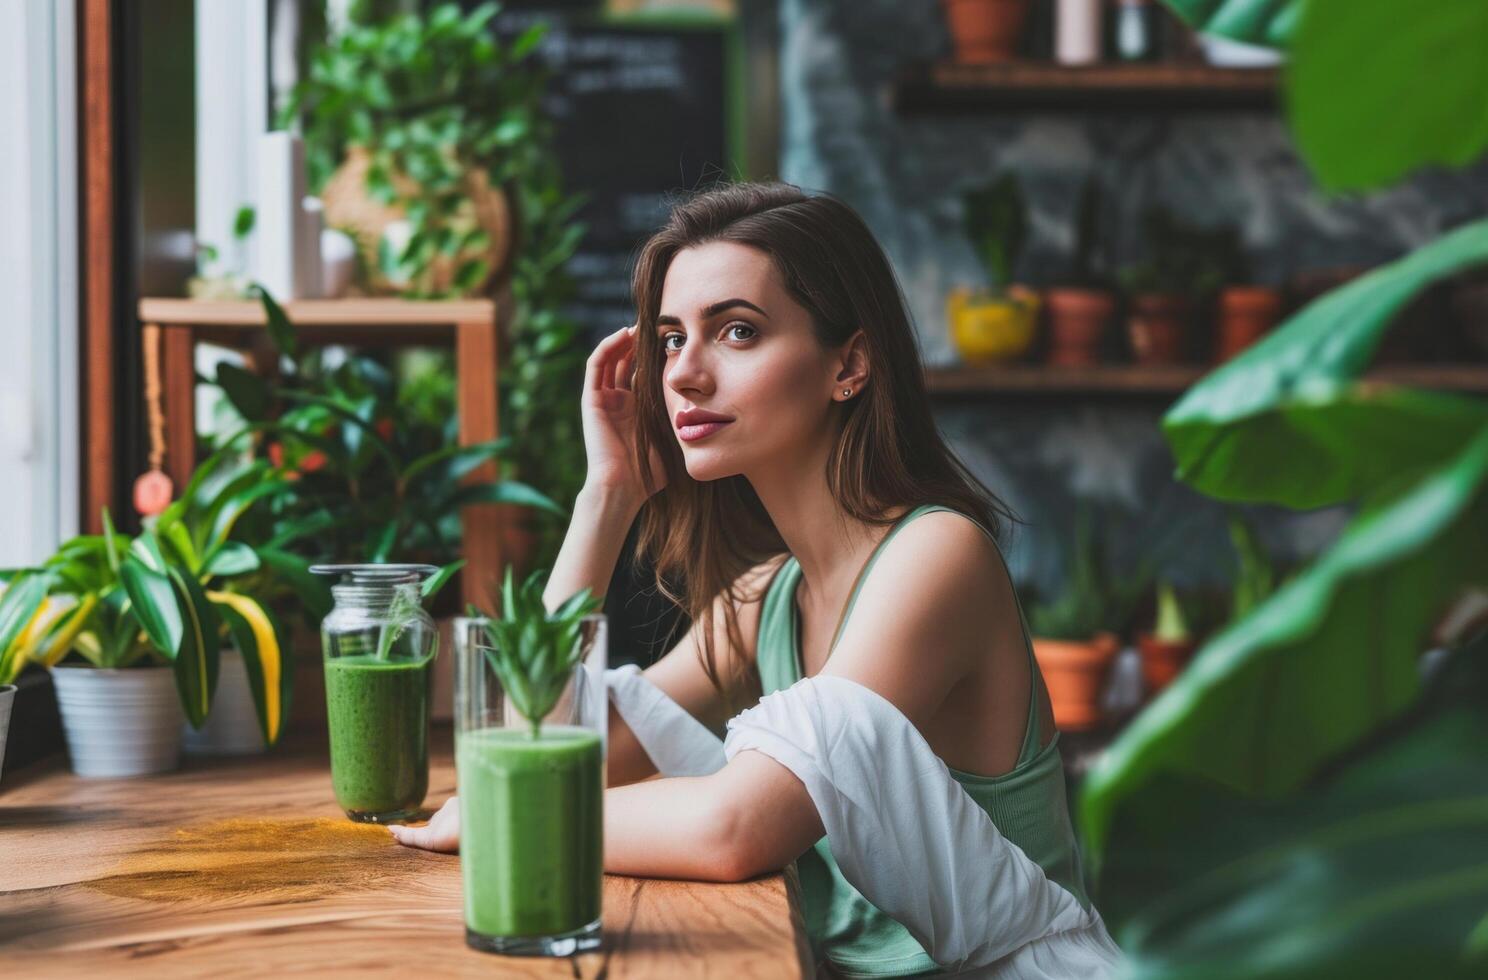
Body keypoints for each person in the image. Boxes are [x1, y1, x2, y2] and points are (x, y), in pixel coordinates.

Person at [391, 181, 1121, 977]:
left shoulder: (937, 556)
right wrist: (606, 498)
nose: (683, 375)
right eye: (670, 339)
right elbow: (540, 748)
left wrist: (511, 819)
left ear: (850, 362)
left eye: (736, 331)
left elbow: (735, 827)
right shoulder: (764, 597)